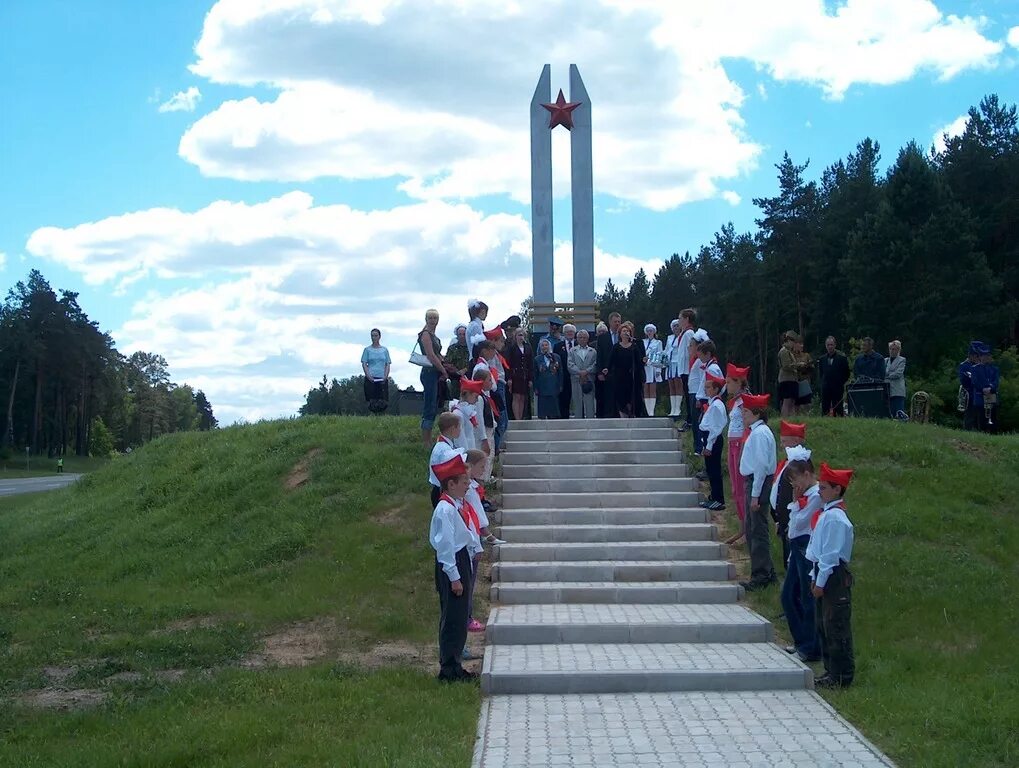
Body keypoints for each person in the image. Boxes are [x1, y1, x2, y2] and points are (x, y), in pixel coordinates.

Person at [429, 454, 479, 683]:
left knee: (459, 618)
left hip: (460, 560)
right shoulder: (445, 510)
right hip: (453, 563)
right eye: (463, 482)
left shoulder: (454, 505)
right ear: (451, 484)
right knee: (453, 618)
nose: (468, 485)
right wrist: (455, 577)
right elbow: (446, 546)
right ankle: (448, 669)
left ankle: (455, 664)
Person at [807, 463, 856, 689]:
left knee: (835, 625)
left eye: (824, 488)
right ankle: (830, 671)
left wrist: (821, 580)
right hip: (823, 571)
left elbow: (830, 554)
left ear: (837, 490)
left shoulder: (836, 518)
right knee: (823, 624)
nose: (820, 491)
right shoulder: (828, 514)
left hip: (833, 574)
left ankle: (841, 676)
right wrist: (813, 574)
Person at [780, 459, 822, 663]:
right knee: (788, 595)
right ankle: (800, 640)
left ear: (807, 474)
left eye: (796, 481)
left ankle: (810, 647)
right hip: (797, 547)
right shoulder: (804, 495)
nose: (795, 487)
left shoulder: (815, 497)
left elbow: (799, 522)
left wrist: (796, 502)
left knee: (807, 598)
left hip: (807, 546)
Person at [738, 393, 778, 591]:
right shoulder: (757, 432)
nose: (743, 415)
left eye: (745, 411)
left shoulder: (760, 434)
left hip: (757, 483)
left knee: (757, 530)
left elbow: (761, 465)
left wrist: (755, 495)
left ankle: (761, 574)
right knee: (753, 528)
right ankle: (765, 570)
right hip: (755, 482)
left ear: (756, 413)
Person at [770, 421, 809, 570]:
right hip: (784, 517)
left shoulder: (800, 464)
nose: (782, 445)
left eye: (785, 441)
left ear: (796, 441)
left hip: (791, 515)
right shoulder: (787, 462)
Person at [725, 363, 750, 534]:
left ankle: (746, 527)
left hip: (739, 444)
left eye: (729, 382)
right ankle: (742, 526)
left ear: (738, 382)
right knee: (735, 487)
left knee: (741, 487)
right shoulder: (736, 401)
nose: (727, 386)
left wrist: (743, 449)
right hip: (732, 443)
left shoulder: (744, 402)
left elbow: (747, 426)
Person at [418, 309, 448, 447]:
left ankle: (429, 438)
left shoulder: (433, 335)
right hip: (429, 372)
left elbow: (436, 354)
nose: (432, 320)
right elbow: (430, 355)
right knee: (429, 406)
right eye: (430, 318)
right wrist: (443, 370)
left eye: (434, 318)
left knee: (434, 405)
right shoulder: (425, 335)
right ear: (426, 319)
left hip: (434, 372)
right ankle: (426, 440)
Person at [699, 371, 727, 511]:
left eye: (709, 387)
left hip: (713, 439)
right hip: (708, 438)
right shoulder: (712, 403)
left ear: (716, 389)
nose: (706, 389)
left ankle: (718, 499)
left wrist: (709, 445)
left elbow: (715, 428)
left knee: (714, 470)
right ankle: (713, 496)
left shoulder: (716, 405)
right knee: (711, 470)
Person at [609, 322, 646, 418]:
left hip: (632, 377)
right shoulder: (616, 347)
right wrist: (606, 370)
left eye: (628, 331)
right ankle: (623, 414)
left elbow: (639, 362)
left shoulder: (634, 346)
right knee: (621, 397)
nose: (626, 332)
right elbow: (611, 361)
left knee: (633, 396)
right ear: (620, 333)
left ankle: (634, 413)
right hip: (620, 377)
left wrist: (643, 361)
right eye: (624, 331)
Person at [691, 339, 722, 456]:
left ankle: (709, 457)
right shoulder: (708, 366)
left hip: (708, 400)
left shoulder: (713, 368)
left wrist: (702, 398)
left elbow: (715, 386)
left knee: (707, 430)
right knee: (702, 428)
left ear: (708, 354)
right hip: (706, 399)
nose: (700, 359)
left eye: (701, 356)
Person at [428, 412, 464, 507]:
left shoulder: (443, 445)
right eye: (459, 427)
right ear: (452, 429)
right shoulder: (444, 450)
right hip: (441, 491)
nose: (460, 430)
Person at [450, 378, 487, 454]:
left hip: (470, 450)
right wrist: (467, 456)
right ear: (467, 394)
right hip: (464, 454)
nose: (477, 400)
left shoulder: (466, 412)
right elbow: (460, 439)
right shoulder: (458, 414)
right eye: (475, 397)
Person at [596, 312, 623, 417]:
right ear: (610, 322)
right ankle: (609, 415)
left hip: (621, 371)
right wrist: (599, 372)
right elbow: (600, 356)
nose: (617, 324)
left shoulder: (624, 336)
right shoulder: (603, 338)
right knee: (608, 395)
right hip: (607, 372)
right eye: (615, 321)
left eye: (619, 322)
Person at [567, 329, 598, 418]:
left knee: (589, 402)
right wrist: (580, 372)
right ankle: (578, 422)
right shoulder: (572, 351)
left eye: (584, 337)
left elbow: (595, 364)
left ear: (587, 339)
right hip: (576, 379)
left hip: (589, 379)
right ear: (577, 339)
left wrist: (587, 371)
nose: (582, 339)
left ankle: (590, 421)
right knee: (577, 402)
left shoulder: (593, 351)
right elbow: (570, 364)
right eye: (580, 337)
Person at [675, 310, 698, 431]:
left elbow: (690, 352)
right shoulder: (683, 333)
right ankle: (689, 419)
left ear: (687, 319)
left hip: (687, 369)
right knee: (686, 394)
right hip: (683, 369)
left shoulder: (689, 333)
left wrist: (690, 367)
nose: (679, 321)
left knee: (689, 396)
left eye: (680, 318)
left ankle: (690, 421)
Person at [360, 328, 392, 412]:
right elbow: (364, 364)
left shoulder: (384, 350)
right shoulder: (367, 350)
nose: (374, 337)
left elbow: (387, 364)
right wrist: (368, 375)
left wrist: (386, 375)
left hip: (382, 377)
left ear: (379, 337)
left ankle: (381, 415)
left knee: (382, 400)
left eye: (375, 335)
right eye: (372, 336)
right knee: (372, 400)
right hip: (371, 377)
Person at [818, 336, 850, 417]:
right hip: (826, 386)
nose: (830, 347)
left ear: (835, 345)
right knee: (825, 407)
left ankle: (839, 421)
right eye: (828, 345)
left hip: (837, 386)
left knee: (838, 407)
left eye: (831, 345)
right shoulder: (822, 359)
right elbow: (821, 373)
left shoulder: (842, 358)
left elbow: (846, 373)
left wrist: (840, 382)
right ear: (825, 346)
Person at [506, 328, 533, 421]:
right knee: (516, 396)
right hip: (515, 375)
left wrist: (530, 379)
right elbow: (508, 363)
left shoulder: (528, 347)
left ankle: (521, 417)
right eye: (519, 335)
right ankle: (516, 418)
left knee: (523, 397)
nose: (521, 337)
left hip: (525, 375)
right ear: (515, 336)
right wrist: (509, 378)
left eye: (522, 335)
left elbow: (530, 363)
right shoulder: (512, 348)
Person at [971, 344, 1000, 433]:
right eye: (984, 355)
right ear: (980, 357)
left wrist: (990, 387)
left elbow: (996, 381)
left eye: (987, 355)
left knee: (992, 415)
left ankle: (993, 433)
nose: (986, 357)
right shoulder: (975, 368)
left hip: (991, 394)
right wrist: (983, 389)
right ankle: (981, 432)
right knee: (981, 416)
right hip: (980, 395)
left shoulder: (994, 369)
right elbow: (975, 382)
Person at [534, 338, 561, 419]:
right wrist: (535, 387)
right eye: (542, 345)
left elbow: (560, 372)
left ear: (549, 346)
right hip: (542, 386)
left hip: (554, 384)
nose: (544, 347)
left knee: (553, 405)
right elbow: (535, 374)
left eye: (546, 345)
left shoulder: (556, 357)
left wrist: (560, 385)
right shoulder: (537, 359)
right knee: (543, 405)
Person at [663, 319, 684, 420]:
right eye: (674, 326)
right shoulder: (669, 338)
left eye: (677, 326)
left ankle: (678, 409)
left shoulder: (682, 337)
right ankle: (673, 409)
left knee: (678, 385)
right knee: (671, 386)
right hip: (670, 364)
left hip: (678, 363)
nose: (676, 328)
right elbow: (667, 349)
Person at [958, 341, 982, 430]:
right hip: (971, 395)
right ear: (971, 355)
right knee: (970, 418)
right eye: (976, 355)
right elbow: (964, 381)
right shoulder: (964, 365)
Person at [641, 323, 663, 417]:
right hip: (645, 367)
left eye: (651, 331)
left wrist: (658, 370)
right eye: (648, 331)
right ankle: (647, 410)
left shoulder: (658, 343)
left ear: (654, 332)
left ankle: (651, 411)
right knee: (645, 388)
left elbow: (660, 356)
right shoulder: (642, 342)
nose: (650, 332)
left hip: (653, 368)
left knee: (652, 388)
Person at [556, 323, 577, 419]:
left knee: (578, 398)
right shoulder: (558, 346)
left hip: (577, 376)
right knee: (564, 398)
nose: (570, 334)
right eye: (568, 332)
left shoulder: (578, 344)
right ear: (564, 333)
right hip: (563, 376)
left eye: (572, 332)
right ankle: (564, 418)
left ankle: (579, 416)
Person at [777, 331, 800, 418]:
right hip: (786, 379)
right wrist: (798, 365)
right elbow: (786, 366)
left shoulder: (789, 352)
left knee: (791, 401)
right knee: (787, 401)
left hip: (792, 379)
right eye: (793, 342)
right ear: (788, 341)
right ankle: (785, 419)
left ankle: (791, 419)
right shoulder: (784, 351)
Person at [444, 324, 470, 399]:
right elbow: (446, 363)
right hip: (455, 379)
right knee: (455, 401)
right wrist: (456, 371)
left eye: (464, 334)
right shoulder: (452, 348)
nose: (462, 336)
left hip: (469, 378)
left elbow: (474, 361)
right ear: (457, 335)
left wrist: (465, 369)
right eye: (460, 334)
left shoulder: (471, 348)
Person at [885, 340, 907, 419]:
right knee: (889, 412)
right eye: (890, 349)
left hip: (897, 390)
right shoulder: (886, 360)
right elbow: (882, 372)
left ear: (898, 350)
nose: (892, 351)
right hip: (887, 390)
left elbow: (898, 374)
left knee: (898, 412)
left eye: (894, 349)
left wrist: (887, 375)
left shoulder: (902, 360)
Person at [793, 338, 813, 415]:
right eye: (799, 344)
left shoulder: (806, 355)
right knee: (796, 403)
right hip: (796, 380)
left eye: (802, 344)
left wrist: (807, 366)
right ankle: (796, 417)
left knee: (807, 402)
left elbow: (812, 366)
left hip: (805, 380)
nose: (801, 346)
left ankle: (807, 416)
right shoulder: (792, 356)